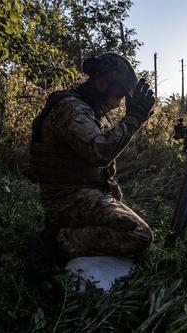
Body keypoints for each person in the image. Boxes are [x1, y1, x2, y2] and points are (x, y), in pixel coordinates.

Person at [28, 52, 155, 261]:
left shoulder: (86, 109)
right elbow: (99, 153)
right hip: (67, 199)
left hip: (80, 194)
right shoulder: (72, 108)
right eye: (120, 93)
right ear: (103, 84)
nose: (120, 101)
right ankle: (61, 239)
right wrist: (134, 118)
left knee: (126, 220)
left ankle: (70, 229)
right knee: (138, 235)